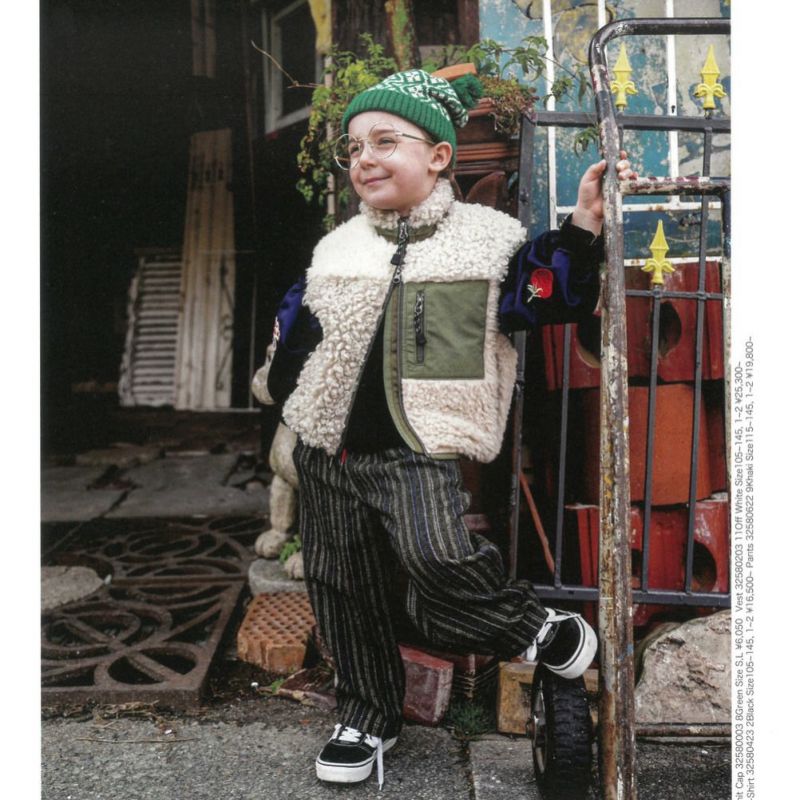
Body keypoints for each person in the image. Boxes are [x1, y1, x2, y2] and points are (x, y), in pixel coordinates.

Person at [251, 68, 636, 789]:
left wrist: (583, 227)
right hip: (327, 449)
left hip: (415, 447)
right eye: (353, 147)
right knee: (341, 584)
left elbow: (546, 295)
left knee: (438, 557)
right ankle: (366, 716)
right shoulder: (339, 248)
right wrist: (277, 388)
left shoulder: (487, 245)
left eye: (385, 141)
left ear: (437, 156)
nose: (364, 158)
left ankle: (538, 628)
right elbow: (297, 329)